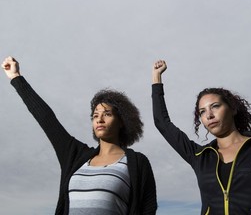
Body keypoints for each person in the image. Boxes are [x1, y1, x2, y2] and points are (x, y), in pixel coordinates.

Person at [1, 56, 157, 215]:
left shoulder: (137, 163)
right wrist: (16, 77)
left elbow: (148, 210)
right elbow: (47, 120)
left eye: (107, 114)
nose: (99, 119)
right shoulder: (75, 156)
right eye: (95, 115)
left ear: (122, 121)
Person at [151, 60, 251, 214]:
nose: (209, 115)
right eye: (202, 112)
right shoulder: (200, 156)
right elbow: (162, 123)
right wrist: (156, 79)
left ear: (233, 109)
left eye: (215, 106)